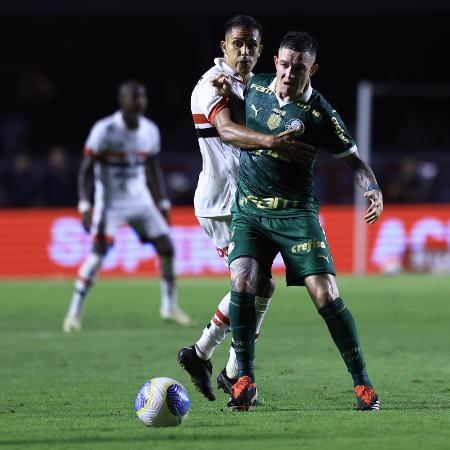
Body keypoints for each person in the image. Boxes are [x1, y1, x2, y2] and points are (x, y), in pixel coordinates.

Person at [213, 31, 383, 411]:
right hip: (251, 210)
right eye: (285, 64)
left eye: (299, 68)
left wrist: (372, 189)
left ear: (313, 69)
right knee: (242, 279)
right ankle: (245, 381)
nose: (290, 73)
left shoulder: (321, 114)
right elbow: (235, 115)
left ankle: (363, 385)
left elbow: (354, 161)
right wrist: (225, 86)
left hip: (296, 212)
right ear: (275, 61)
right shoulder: (253, 87)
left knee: (326, 294)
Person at [177, 16, 315, 401]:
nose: (244, 52)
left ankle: (211, 359)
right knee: (248, 284)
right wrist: (273, 142)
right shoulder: (210, 85)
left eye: (252, 45)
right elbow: (227, 130)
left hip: (249, 202)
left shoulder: (249, 85)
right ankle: (227, 370)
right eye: (237, 44)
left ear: (261, 49)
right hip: (223, 204)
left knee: (263, 285)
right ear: (223, 47)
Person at [63, 80, 193, 332]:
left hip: (140, 200)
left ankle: (169, 307)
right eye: (133, 97)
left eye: (142, 97)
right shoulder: (105, 130)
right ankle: (73, 314)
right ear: (121, 101)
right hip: (110, 203)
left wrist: (163, 203)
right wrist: (84, 206)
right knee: (98, 254)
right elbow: (85, 171)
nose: (138, 102)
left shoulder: (150, 131)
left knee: (167, 247)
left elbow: (153, 169)